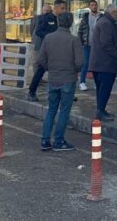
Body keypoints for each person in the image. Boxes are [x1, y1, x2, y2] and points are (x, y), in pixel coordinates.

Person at [37, 11, 84, 152]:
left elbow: (41, 59)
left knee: (51, 109)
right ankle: (59, 140)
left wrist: (50, 68)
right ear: (70, 24)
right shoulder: (74, 40)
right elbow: (80, 62)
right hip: (68, 78)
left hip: (53, 77)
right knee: (64, 110)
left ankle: (45, 140)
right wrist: (73, 70)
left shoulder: (48, 38)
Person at [28, 0, 66, 102]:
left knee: (62, 70)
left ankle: (64, 92)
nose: (63, 10)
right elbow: (38, 32)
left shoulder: (62, 20)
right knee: (40, 70)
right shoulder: (46, 18)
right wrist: (50, 37)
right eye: (62, 8)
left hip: (58, 50)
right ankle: (31, 91)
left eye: (64, 8)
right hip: (47, 49)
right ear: (56, 7)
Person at [89, 4, 117, 121]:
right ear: (111, 12)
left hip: (99, 63)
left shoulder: (104, 21)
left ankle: (100, 109)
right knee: (104, 89)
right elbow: (106, 43)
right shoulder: (107, 23)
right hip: (105, 63)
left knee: (101, 89)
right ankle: (100, 111)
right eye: (116, 12)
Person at [77, 0, 101, 92]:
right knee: (85, 63)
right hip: (87, 44)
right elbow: (80, 31)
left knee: (96, 64)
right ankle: (82, 82)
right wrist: (80, 43)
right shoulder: (86, 17)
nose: (93, 7)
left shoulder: (101, 16)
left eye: (95, 5)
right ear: (89, 6)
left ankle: (96, 82)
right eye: (92, 5)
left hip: (98, 45)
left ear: (97, 6)